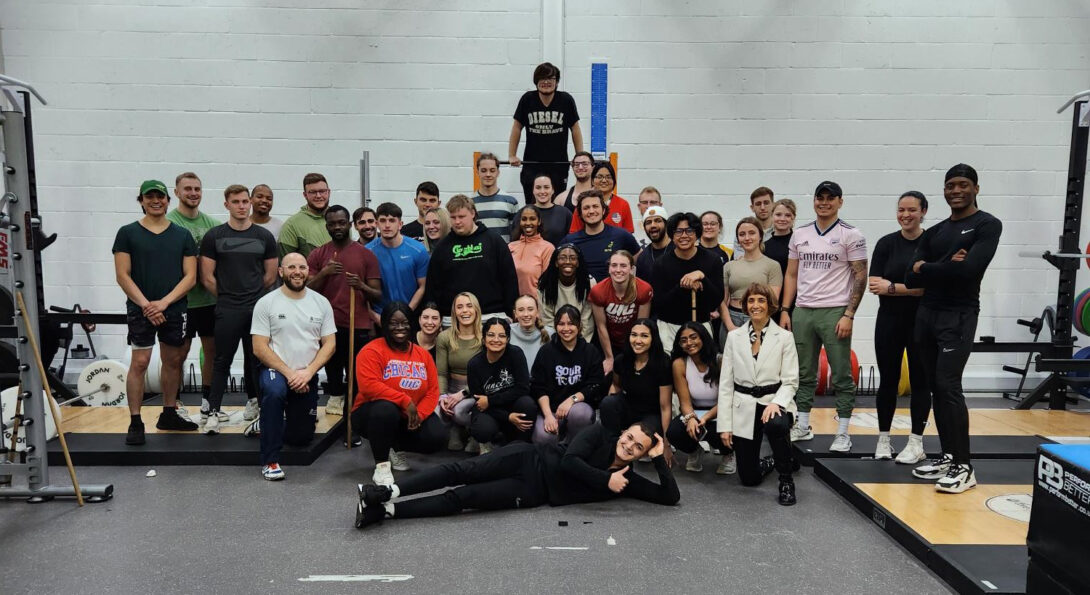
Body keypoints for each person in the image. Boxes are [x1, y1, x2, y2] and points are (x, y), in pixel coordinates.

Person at [353, 420, 678, 528]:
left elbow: (669, 497)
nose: (629, 446)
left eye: (638, 448)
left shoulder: (627, 480)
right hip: (526, 459)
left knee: (462, 498)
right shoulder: (597, 434)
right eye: (630, 438)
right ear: (623, 432)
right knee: (460, 470)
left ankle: (385, 512)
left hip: (533, 493)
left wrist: (659, 458)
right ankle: (386, 492)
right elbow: (569, 463)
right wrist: (605, 480)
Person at [905, 164, 1001, 494]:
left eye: (962, 185)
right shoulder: (935, 232)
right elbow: (910, 276)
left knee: (948, 385)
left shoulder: (987, 224)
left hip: (958, 316)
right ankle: (947, 456)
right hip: (926, 315)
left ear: (976, 188)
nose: (955, 191)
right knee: (934, 385)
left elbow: (970, 271)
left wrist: (929, 267)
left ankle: (965, 465)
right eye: (950, 186)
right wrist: (947, 265)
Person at [779, 181, 867, 452]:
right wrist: (785, 309)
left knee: (841, 374)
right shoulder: (801, 234)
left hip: (835, 310)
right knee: (804, 373)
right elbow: (792, 274)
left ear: (840, 201)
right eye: (820, 198)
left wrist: (849, 314)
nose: (824, 202)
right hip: (803, 310)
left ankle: (842, 432)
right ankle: (803, 425)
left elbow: (860, 275)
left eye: (831, 198)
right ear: (814, 200)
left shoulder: (851, 235)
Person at [113, 179, 200, 445]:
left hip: (173, 309)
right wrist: (147, 305)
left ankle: (169, 413)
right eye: (149, 197)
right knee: (139, 363)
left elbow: (190, 277)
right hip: (140, 309)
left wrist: (163, 303)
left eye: (160, 197)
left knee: (173, 361)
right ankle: (136, 421)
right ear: (141, 200)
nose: (155, 201)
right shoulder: (127, 233)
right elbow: (122, 275)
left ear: (167, 200)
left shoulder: (182, 235)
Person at [200, 185, 279, 434]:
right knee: (221, 360)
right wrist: (227, 297)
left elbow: (270, 275)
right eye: (236, 202)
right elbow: (207, 276)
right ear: (227, 205)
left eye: (245, 201)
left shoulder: (264, 237)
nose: (242, 206)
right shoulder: (214, 236)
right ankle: (213, 412)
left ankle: (258, 408)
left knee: (256, 359)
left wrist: (253, 298)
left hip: (257, 309)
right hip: (227, 308)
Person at [249, 253, 336, 480]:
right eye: (291, 267)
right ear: (281, 271)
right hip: (276, 371)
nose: (297, 272)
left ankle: (268, 422)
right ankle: (270, 461)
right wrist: (290, 374)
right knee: (275, 392)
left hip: (306, 374)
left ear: (308, 270)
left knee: (301, 438)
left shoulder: (321, 302)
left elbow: (330, 345)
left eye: (302, 267)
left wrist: (307, 373)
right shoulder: (266, 303)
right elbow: (259, 347)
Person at [718, 283, 800, 506]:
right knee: (749, 479)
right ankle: (773, 460)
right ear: (745, 306)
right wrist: (725, 425)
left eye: (761, 300)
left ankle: (786, 481)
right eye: (751, 301)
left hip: (773, 401)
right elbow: (726, 383)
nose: (756, 305)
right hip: (743, 405)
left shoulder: (784, 337)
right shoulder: (734, 338)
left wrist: (777, 403)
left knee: (776, 424)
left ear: (770, 305)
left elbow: (791, 380)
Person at [352, 302, 447, 486]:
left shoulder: (422, 354)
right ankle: (381, 467)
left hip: (408, 415)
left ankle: (394, 446)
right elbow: (369, 386)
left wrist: (419, 414)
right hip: (370, 414)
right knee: (386, 410)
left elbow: (433, 390)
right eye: (393, 323)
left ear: (412, 323)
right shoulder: (372, 350)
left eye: (404, 322)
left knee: (437, 437)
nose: (400, 328)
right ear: (385, 324)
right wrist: (405, 401)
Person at [867, 192, 931, 463]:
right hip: (889, 321)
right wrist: (909, 290)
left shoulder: (932, 243)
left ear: (923, 211)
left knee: (920, 382)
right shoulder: (886, 243)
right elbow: (874, 285)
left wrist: (892, 287)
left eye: (912, 210)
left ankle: (916, 441)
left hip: (922, 322)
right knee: (888, 381)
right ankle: (883, 439)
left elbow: (926, 289)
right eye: (901, 210)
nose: (905, 215)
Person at [306, 205, 382, 418]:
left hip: (357, 324)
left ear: (349, 225)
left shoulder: (366, 255)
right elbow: (306, 290)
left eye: (341, 223)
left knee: (356, 373)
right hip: (327, 324)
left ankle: (355, 412)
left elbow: (377, 294)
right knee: (332, 365)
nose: (337, 227)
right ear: (327, 226)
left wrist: (361, 286)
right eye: (332, 224)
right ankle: (336, 398)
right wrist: (324, 273)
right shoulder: (319, 253)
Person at [165, 172, 218, 421]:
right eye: (187, 189)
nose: (193, 193)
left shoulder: (213, 225)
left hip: (209, 300)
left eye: (197, 188)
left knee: (211, 351)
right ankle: (174, 404)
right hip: (181, 301)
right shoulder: (168, 223)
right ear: (176, 192)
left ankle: (207, 401)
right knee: (178, 353)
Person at [424, 195, 518, 323]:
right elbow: (432, 287)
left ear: (473, 213)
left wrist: (511, 312)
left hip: (491, 316)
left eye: (461, 216)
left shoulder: (494, 241)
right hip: (453, 320)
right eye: (453, 217)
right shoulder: (442, 248)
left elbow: (509, 279)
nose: (457, 222)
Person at [600, 319, 673, 465]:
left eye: (644, 336)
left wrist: (666, 444)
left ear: (653, 339)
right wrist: (611, 413)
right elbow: (615, 386)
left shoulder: (663, 363)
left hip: (652, 415)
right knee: (608, 403)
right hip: (629, 408)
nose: (638, 340)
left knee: (641, 437)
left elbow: (665, 407)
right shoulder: (622, 360)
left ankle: (646, 444)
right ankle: (612, 445)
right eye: (634, 335)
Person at [530, 305, 605, 445]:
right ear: (555, 326)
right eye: (561, 324)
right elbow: (538, 386)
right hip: (550, 409)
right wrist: (548, 416)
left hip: (577, 408)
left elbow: (595, 385)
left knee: (581, 415)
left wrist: (571, 400)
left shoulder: (590, 351)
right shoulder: (546, 352)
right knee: (544, 436)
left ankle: (573, 450)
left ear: (579, 325)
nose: (566, 329)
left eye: (571, 324)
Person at [665, 322, 733, 474]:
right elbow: (684, 402)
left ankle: (728, 454)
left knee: (719, 431)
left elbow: (727, 400)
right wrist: (690, 418)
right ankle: (695, 451)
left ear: (703, 338)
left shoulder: (720, 361)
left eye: (693, 337)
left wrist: (706, 417)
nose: (689, 343)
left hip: (722, 410)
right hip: (695, 410)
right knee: (675, 431)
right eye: (683, 340)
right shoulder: (679, 364)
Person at [509, 62, 583, 203]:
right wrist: (512, 155)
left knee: (557, 205)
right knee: (532, 207)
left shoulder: (566, 100)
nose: (546, 82)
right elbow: (517, 127)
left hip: (558, 164)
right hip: (532, 164)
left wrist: (580, 156)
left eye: (551, 78)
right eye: (542, 78)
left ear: (557, 82)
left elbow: (575, 129)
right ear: (536, 81)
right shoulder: (527, 99)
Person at [650, 212, 725, 350]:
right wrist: (683, 286)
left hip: (701, 325)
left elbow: (716, 300)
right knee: (671, 368)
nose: (684, 236)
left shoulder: (712, 260)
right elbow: (659, 304)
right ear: (672, 236)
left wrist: (702, 277)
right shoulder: (660, 264)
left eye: (689, 231)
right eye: (678, 231)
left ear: (697, 234)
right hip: (669, 327)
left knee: (703, 368)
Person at [465, 318, 538, 452]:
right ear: (484, 338)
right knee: (482, 429)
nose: (496, 340)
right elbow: (480, 403)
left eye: (502, 335)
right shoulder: (474, 365)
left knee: (527, 404)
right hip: (488, 411)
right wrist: (507, 417)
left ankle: (521, 446)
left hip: (510, 403)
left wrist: (491, 400)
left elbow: (523, 388)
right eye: (491, 335)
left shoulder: (516, 354)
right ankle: (484, 442)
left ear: (508, 339)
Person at [435, 292, 485, 453]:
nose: (465, 311)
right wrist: (442, 396)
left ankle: (475, 433)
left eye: (469, 306)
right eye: (460, 307)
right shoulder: (444, 337)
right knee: (436, 413)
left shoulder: (486, 335)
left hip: (475, 390)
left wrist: (463, 393)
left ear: (476, 309)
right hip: (451, 387)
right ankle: (455, 429)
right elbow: (441, 373)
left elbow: (488, 375)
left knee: (458, 411)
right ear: (454, 312)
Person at [590, 250, 653, 373]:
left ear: (631, 269)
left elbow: (641, 325)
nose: (618, 270)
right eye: (614, 265)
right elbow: (601, 326)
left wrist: (636, 354)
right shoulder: (598, 291)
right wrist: (609, 357)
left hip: (634, 339)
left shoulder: (643, 289)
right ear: (609, 268)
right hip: (609, 341)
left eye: (623, 266)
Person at [366, 202, 429, 317]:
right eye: (383, 220)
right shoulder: (367, 252)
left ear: (400, 224)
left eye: (392, 220)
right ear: (377, 224)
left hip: (410, 315)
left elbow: (422, 286)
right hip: (380, 316)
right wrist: (375, 317)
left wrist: (406, 313)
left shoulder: (418, 250)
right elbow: (363, 289)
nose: (387, 225)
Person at [561, 190, 640, 282]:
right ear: (580, 214)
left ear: (603, 210)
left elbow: (640, 260)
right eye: (586, 208)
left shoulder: (621, 235)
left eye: (595, 206)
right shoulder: (570, 241)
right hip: (582, 294)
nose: (591, 211)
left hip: (614, 294)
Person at [720, 217, 782, 332]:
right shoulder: (729, 266)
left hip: (760, 320)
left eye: (752, 233)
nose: (747, 238)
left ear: (760, 236)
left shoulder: (773, 265)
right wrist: (730, 326)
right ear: (738, 239)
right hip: (732, 319)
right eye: (742, 234)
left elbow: (772, 302)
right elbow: (722, 301)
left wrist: (757, 327)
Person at [538, 244, 595, 342]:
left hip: (581, 338)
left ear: (578, 263)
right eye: (562, 258)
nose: (568, 262)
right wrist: (559, 343)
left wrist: (579, 344)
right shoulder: (545, 284)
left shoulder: (588, 282)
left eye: (572, 258)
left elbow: (587, 320)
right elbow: (547, 319)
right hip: (555, 338)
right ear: (556, 262)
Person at [569, 162, 634, 233]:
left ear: (614, 181)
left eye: (608, 177)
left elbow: (628, 234)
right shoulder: (583, 203)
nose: (604, 180)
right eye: (599, 177)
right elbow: (574, 234)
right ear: (592, 181)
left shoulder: (623, 204)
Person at [278, 172, 332, 258]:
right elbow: (286, 264)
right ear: (305, 195)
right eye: (312, 192)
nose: (318, 196)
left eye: (322, 191)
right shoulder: (292, 225)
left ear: (328, 192)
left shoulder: (340, 220)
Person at [508, 205, 555, 297]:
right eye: (524, 219)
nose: (528, 223)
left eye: (532, 219)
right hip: (513, 306)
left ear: (539, 221)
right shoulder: (510, 247)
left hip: (535, 306)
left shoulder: (547, 248)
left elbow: (548, 283)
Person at [472, 153, 519, 241]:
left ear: (498, 172)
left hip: (504, 253)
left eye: (492, 170)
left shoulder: (511, 201)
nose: (488, 174)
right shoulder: (470, 203)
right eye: (483, 170)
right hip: (480, 253)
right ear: (477, 172)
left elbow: (516, 234)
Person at [509, 294, 550, 371]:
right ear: (515, 314)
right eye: (521, 310)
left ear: (537, 312)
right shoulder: (507, 332)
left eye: (530, 309)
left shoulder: (550, 333)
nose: (526, 314)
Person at [529, 174, 572, 246]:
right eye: (538, 187)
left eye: (546, 187)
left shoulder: (564, 213)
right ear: (533, 191)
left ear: (552, 190)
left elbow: (572, 240)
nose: (542, 191)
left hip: (557, 256)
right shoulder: (524, 213)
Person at [634, 205, 670, 283]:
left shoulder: (679, 250)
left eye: (658, 221)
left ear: (666, 224)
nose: (653, 225)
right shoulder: (643, 258)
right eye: (648, 222)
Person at [763, 199, 797, 281]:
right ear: (771, 216)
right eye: (778, 214)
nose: (782, 219)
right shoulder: (764, 246)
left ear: (793, 218)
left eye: (788, 215)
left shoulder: (799, 244)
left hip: (796, 293)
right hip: (770, 292)